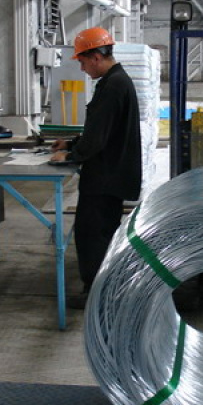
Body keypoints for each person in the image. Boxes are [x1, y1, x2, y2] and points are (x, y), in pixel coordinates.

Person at [50, 27, 142, 301]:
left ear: (96, 57)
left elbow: (98, 137)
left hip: (105, 177)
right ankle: (103, 288)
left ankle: (97, 294)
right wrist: (71, 143)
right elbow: (102, 130)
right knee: (101, 232)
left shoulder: (113, 86)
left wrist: (70, 156)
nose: (82, 68)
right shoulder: (115, 81)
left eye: (82, 62)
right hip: (111, 174)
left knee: (92, 236)